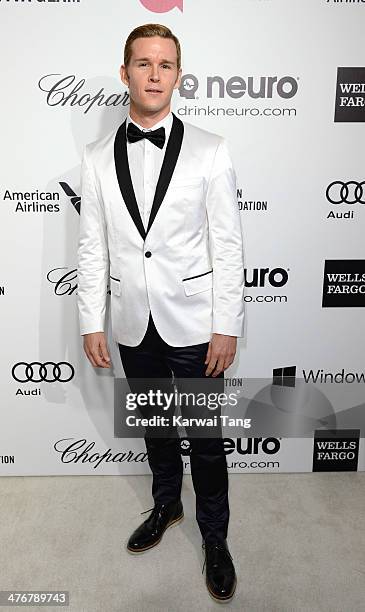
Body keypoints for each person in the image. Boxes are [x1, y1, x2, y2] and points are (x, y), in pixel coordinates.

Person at [77, 23, 244, 603]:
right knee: (154, 426)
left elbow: (227, 244)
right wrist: (89, 320)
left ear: (178, 75)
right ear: (125, 73)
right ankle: (167, 503)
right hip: (130, 320)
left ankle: (216, 538)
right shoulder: (97, 156)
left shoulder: (210, 148)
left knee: (204, 435)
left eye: (165, 64)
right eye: (143, 63)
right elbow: (92, 246)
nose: (154, 74)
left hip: (196, 320)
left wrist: (229, 324)